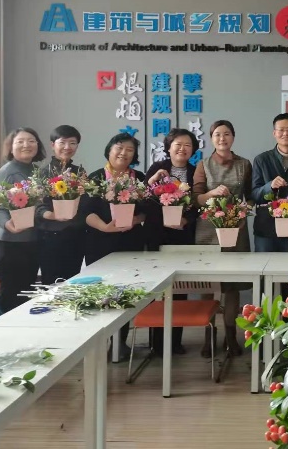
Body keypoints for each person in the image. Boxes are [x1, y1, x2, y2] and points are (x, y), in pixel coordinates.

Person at [84, 133, 147, 359]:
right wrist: (104, 227)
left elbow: (146, 211)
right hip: (99, 242)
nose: (123, 153)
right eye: (119, 148)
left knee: (125, 293)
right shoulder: (96, 177)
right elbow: (85, 212)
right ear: (109, 150)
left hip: (130, 242)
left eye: (129, 150)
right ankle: (98, 343)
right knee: (101, 293)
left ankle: (120, 343)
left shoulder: (139, 178)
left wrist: (135, 220)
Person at [193, 120, 252, 358]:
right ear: (211, 139)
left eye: (226, 134)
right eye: (217, 134)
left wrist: (245, 209)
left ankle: (230, 336)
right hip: (208, 229)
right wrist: (212, 193)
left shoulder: (244, 164)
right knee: (208, 285)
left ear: (233, 137)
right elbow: (196, 198)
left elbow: (250, 196)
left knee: (232, 286)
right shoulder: (203, 164)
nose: (222, 138)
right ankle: (208, 335)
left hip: (236, 227)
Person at [144, 128, 199, 355]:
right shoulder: (158, 169)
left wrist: (186, 219)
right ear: (168, 147)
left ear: (193, 150)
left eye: (187, 145)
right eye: (178, 144)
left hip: (182, 235)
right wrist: (152, 182)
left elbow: (198, 203)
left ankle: (175, 342)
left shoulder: (196, 172)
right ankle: (156, 343)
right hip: (158, 234)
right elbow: (145, 199)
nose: (182, 149)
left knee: (179, 287)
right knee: (157, 288)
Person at [0, 128, 46, 312]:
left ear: (37, 145)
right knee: (12, 295)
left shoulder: (37, 171)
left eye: (31, 141)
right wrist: (8, 224)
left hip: (33, 242)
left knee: (27, 293)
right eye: (20, 141)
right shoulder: (7, 171)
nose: (26, 145)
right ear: (11, 147)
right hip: (10, 244)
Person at [36, 125, 87, 286]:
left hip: (76, 236)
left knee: (73, 282)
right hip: (51, 237)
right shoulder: (43, 172)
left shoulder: (79, 172)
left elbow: (85, 203)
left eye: (72, 143)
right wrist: (52, 215)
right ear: (53, 145)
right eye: (62, 142)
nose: (67, 147)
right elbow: (37, 205)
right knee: (52, 284)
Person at [251, 113, 288, 253]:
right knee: (263, 266)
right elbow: (254, 195)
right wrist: (269, 186)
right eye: (281, 130)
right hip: (266, 230)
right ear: (274, 133)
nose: (285, 133)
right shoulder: (261, 160)